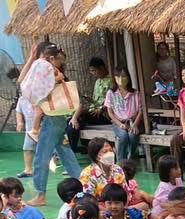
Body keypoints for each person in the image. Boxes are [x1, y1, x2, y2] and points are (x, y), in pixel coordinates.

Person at [24, 45, 82, 208]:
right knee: (66, 154)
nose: (60, 63)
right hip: (58, 118)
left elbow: (29, 85)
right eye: (59, 60)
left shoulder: (48, 71)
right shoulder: (51, 71)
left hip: (51, 119)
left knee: (41, 156)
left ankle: (40, 194)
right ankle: (83, 186)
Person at [65, 57, 113, 152]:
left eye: (94, 70)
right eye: (91, 71)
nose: (92, 73)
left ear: (102, 68)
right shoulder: (97, 82)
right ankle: (76, 146)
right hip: (94, 112)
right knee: (75, 120)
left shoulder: (111, 81)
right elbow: (96, 101)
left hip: (105, 115)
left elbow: (112, 100)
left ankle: (74, 147)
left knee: (78, 116)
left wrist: (102, 108)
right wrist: (90, 100)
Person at [105, 67, 142, 162]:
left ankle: (131, 158)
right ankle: (121, 162)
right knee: (123, 136)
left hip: (133, 121)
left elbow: (140, 110)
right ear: (114, 78)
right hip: (118, 122)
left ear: (128, 78)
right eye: (118, 76)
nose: (121, 79)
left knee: (133, 135)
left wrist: (135, 124)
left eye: (124, 76)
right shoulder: (111, 93)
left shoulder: (135, 93)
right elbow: (110, 112)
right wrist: (119, 124)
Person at [13, 83, 37, 179]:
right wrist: (20, 122)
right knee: (27, 148)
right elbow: (18, 111)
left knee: (54, 148)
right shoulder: (22, 100)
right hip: (30, 129)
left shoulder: (39, 97)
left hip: (42, 127)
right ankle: (28, 170)